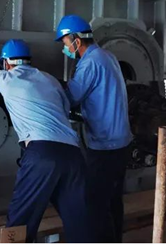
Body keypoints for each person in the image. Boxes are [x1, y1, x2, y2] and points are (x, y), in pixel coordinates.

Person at [0, 38, 93, 243]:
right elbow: (65, 108)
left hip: (42, 154)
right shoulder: (50, 79)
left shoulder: (6, 78)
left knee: (22, 217)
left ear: (6, 63)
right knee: (78, 218)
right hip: (73, 154)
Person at [55, 15, 133, 243]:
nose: (65, 48)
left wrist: (51, 89)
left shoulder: (90, 63)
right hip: (121, 142)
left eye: (65, 43)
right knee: (113, 200)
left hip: (105, 146)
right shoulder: (107, 56)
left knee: (95, 203)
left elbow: (71, 97)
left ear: (76, 40)